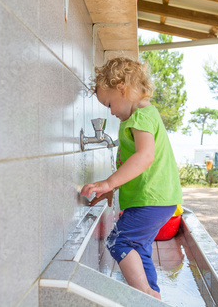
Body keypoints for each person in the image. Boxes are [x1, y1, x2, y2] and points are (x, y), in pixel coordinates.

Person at [80, 57, 182, 299]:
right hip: (159, 199)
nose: (111, 112)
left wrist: (108, 182)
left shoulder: (141, 118)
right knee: (138, 248)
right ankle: (151, 296)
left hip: (151, 199)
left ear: (122, 89)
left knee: (120, 243)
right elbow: (134, 167)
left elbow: (145, 157)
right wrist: (111, 189)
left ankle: (144, 294)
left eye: (109, 104)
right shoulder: (146, 116)